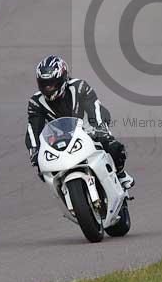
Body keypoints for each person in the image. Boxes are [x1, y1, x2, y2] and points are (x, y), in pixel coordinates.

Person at [25, 55, 134, 189]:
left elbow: (95, 108)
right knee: (43, 170)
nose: (48, 88)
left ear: (63, 78)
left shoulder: (79, 87)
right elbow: (33, 129)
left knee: (114, 147)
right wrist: (34, 151)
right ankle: (64, 192)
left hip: (88, 130)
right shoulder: (35, 102)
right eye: (44, 84)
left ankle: (121, 174)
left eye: (52, 83)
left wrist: (101, 129)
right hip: (59, 139)